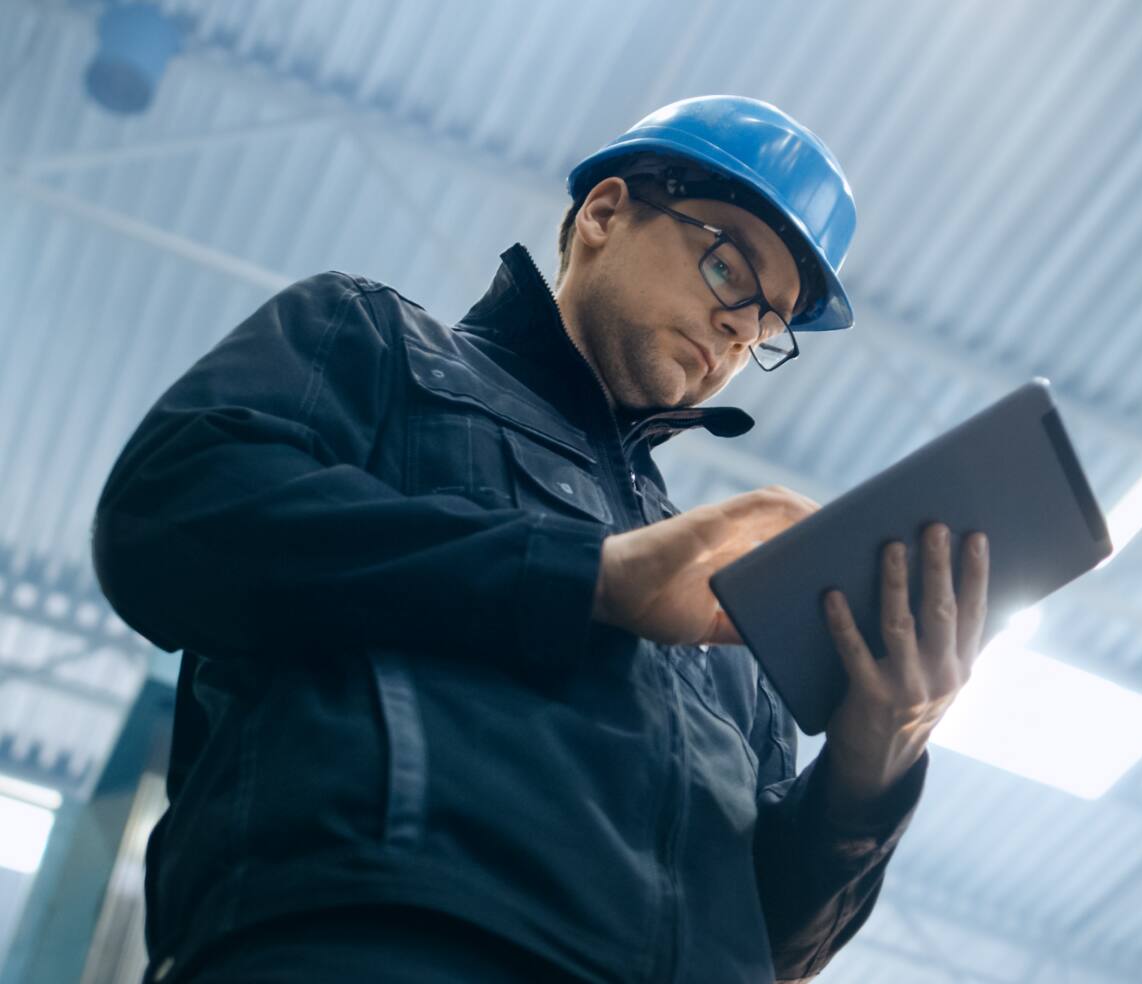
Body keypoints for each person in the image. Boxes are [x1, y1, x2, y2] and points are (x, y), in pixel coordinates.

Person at [91, 95, 991, 984]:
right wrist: (586, 577)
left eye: (767, 324)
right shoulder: (374, 343)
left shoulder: (728, 611)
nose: (737, 329)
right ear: (604, 212)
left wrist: (871, 768)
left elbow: (771, 946)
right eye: (728, 271)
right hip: (382, 942)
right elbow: (169, 513)